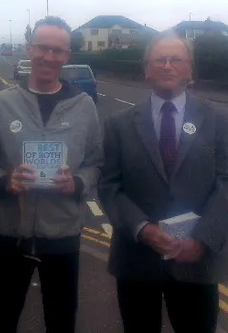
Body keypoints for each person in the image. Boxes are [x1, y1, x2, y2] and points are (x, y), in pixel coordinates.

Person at [0, 16, 103, 333]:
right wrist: (5, 182)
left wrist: (78, 183)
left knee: (61, 322)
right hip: (10, 235)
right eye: (43, 48)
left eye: (58, 50)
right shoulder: (2, 103)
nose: (49, 57)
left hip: (63, 237)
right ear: (29, 49)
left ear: (67, 55)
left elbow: (96, 163)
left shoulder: (84, 106)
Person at [98, 31, 228, 333]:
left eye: (176, 60)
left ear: (190, 70)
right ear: (146, 69)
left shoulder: (219, 121)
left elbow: (226, 182)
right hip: (136, 262)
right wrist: (143, 229)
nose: (167, 66)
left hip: (197, 262)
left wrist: (203, 239)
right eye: (160, 59)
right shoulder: (118, 124)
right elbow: (109, 187)